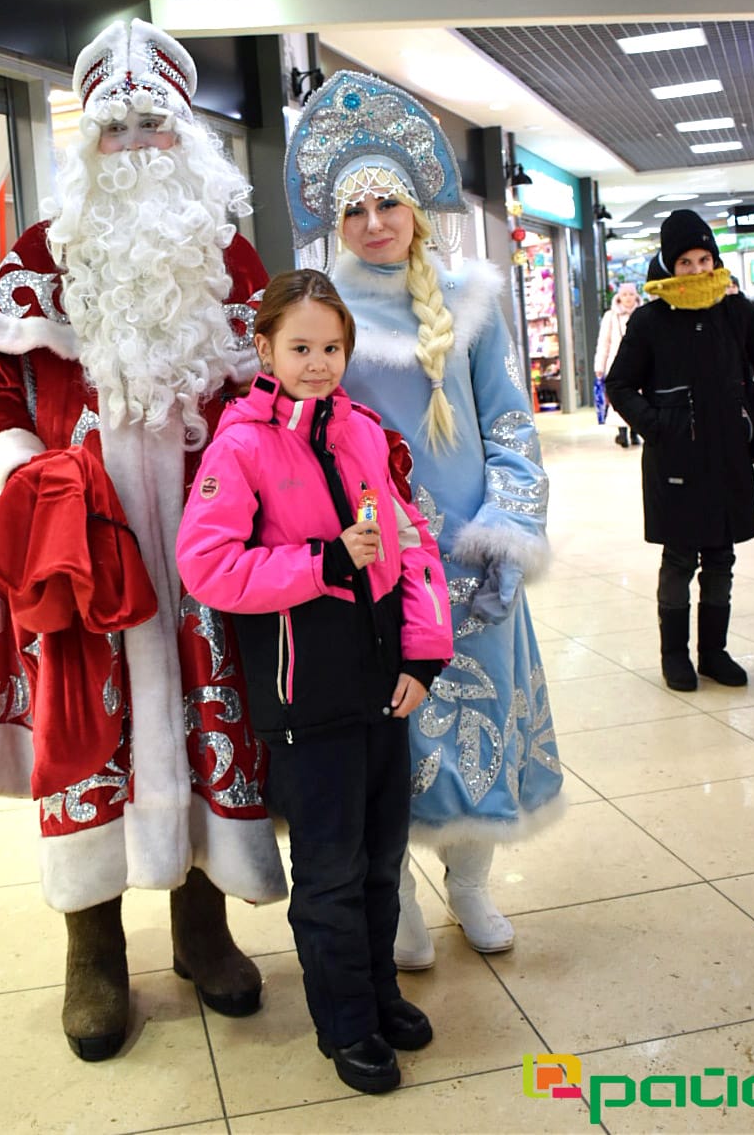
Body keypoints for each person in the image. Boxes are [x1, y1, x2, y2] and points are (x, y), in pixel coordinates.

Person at [0, 18, 286, 1062]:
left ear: (186, 136)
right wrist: (27, 465)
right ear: (88, 141)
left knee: (208, 714)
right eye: (118, 127)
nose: (138, 145)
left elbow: (267, 385)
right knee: (87, 731)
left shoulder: (228, 257)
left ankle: (203, 926)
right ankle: (92, 948)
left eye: (156, 125)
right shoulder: (39, 256)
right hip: (84, 544)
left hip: (203, 543)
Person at [282, 69, 564, 970]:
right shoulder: (318, 311)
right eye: (354, 208)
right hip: (371, 563)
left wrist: (505, 527)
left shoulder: (471, 300)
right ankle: (395, 891)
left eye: (388, 204)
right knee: (386, 733)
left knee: (478, 720)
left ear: (415, 208)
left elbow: (510, 424)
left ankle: (471, 882)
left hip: (469, 557)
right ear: (334, 218)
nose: (373, 222)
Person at [176, 269, 453, 1095]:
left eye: (332, 348)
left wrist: (422, 656)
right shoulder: (239, 446)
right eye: (300, 347)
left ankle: (379, 993)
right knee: (330, 873)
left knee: (381, 862)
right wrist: (321, 564)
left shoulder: (360, 431)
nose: (318, 363)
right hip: (304, 700)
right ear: (264, 349)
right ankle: (346, 1023)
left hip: (382, 690)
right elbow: (207, 566)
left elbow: (411, 544)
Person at [606, 209, 754, 692]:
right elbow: (619, 384)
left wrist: (753, 418)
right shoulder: (650, 320)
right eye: (685, 262)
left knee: (722, 556)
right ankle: (675, 655)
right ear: (670, 265)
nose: (696, 270)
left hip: (728, 454)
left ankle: (713, 653)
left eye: (704, 260)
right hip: (676, 459)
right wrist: (657, 425)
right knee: (680, 557)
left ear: (715, 260)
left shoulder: (736, 311)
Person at [593, 282, 642, 446]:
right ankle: (622, 433)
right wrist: (599, 366)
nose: (628, 298)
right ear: (619, 297)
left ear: (636, 296)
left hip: (640, 364)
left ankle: (635, 432)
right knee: (620, 398)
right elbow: (603, 342)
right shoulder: (611, 316)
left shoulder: (642, 314)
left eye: (631, 294)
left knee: (639, 398)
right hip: (616, 364)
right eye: (624, 295)